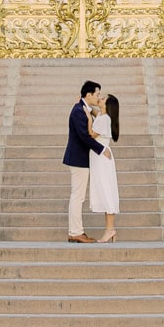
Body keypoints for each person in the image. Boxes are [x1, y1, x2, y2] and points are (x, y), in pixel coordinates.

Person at [63, 78, 107, 242]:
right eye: (97, 94)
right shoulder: (78, 111)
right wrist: (102, 150)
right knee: (78, 196)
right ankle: (75, 232)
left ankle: (75, 231)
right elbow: (84, 136)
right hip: (78, 159)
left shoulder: (84, 109)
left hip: (81, 158)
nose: (98, 97)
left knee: (78, 196)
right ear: (88, 95)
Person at [88, 92, 121, 242]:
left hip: (102, 158)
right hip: (99, 157)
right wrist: (89, 107)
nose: (99, 99)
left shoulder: (105, 119)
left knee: (106, 191)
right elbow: (97, 113)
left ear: (107, 105)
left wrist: (88, 117)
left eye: (102, 99)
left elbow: (91, 134)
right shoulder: (103, 116)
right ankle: (110, 229)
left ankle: (110, 229)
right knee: (104, 190)